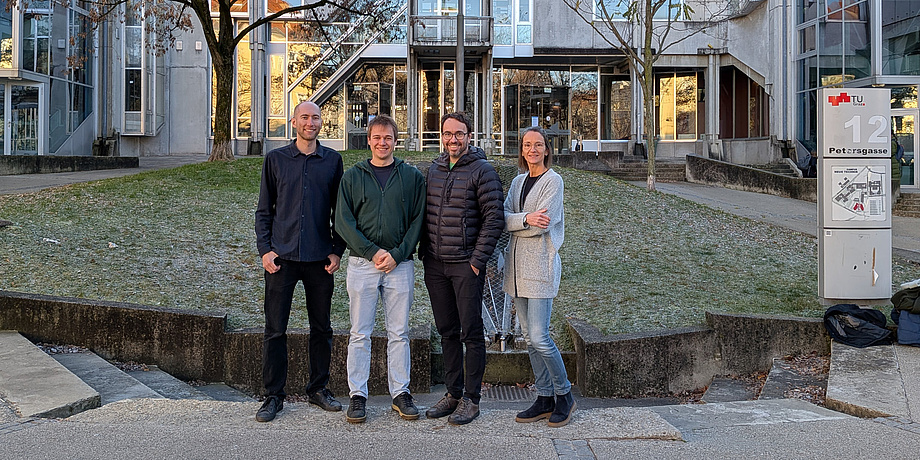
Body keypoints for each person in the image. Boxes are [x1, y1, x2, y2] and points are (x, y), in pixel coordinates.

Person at [254, 100, 345, 422]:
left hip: (320, 258)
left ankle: (318, 389)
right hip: (282, 259)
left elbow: (341, 213)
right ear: (294, 122)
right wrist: (265, 249)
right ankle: (272, 396)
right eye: (305, 117)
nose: (311, 122)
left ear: (322, 122)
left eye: (316, 117)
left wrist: (337, 250)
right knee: (275, 329)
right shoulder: (275, 160)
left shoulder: (332, 161)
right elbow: (264, 211)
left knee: (322, 328)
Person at [334, 115, 426, 424]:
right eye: (377, 137)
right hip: (363, 264)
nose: (382, 143)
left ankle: (400, 393)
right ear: (369, 140)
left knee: (398, 332)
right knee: (360, 332)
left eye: (388, 138)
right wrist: (373, 252)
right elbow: (343, 222)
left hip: (399, 266)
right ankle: (357, 395)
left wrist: (398, 255)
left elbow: (418, 221)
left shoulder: (411, 177)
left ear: (395, 141)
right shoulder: (353, 177)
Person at [421, 112, 505, 425]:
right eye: (447, 134)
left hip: (465, 266)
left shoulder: (482, 171)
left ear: (469, 136)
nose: (453, 139)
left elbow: (494, 218)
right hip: (436, 264)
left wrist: (476, 261)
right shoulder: (436, 168)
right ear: (441, 136)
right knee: (447, 332)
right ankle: (453, 392)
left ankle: (472, 398)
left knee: (471, 332)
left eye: (459, 134)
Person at [503, 126, 575, 427]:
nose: (532, 149)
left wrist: (525, 221)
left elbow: (541, 225)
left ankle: (565, 394)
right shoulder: (518, 181)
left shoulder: (553, 181)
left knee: (540, 336)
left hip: (540, 267)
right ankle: (544, 397)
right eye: (527, 144)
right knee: (528, 340)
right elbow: (502, 218)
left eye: (538, 145)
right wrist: (524, 218)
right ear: (522, 150)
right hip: (516, 269)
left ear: (547, 149)